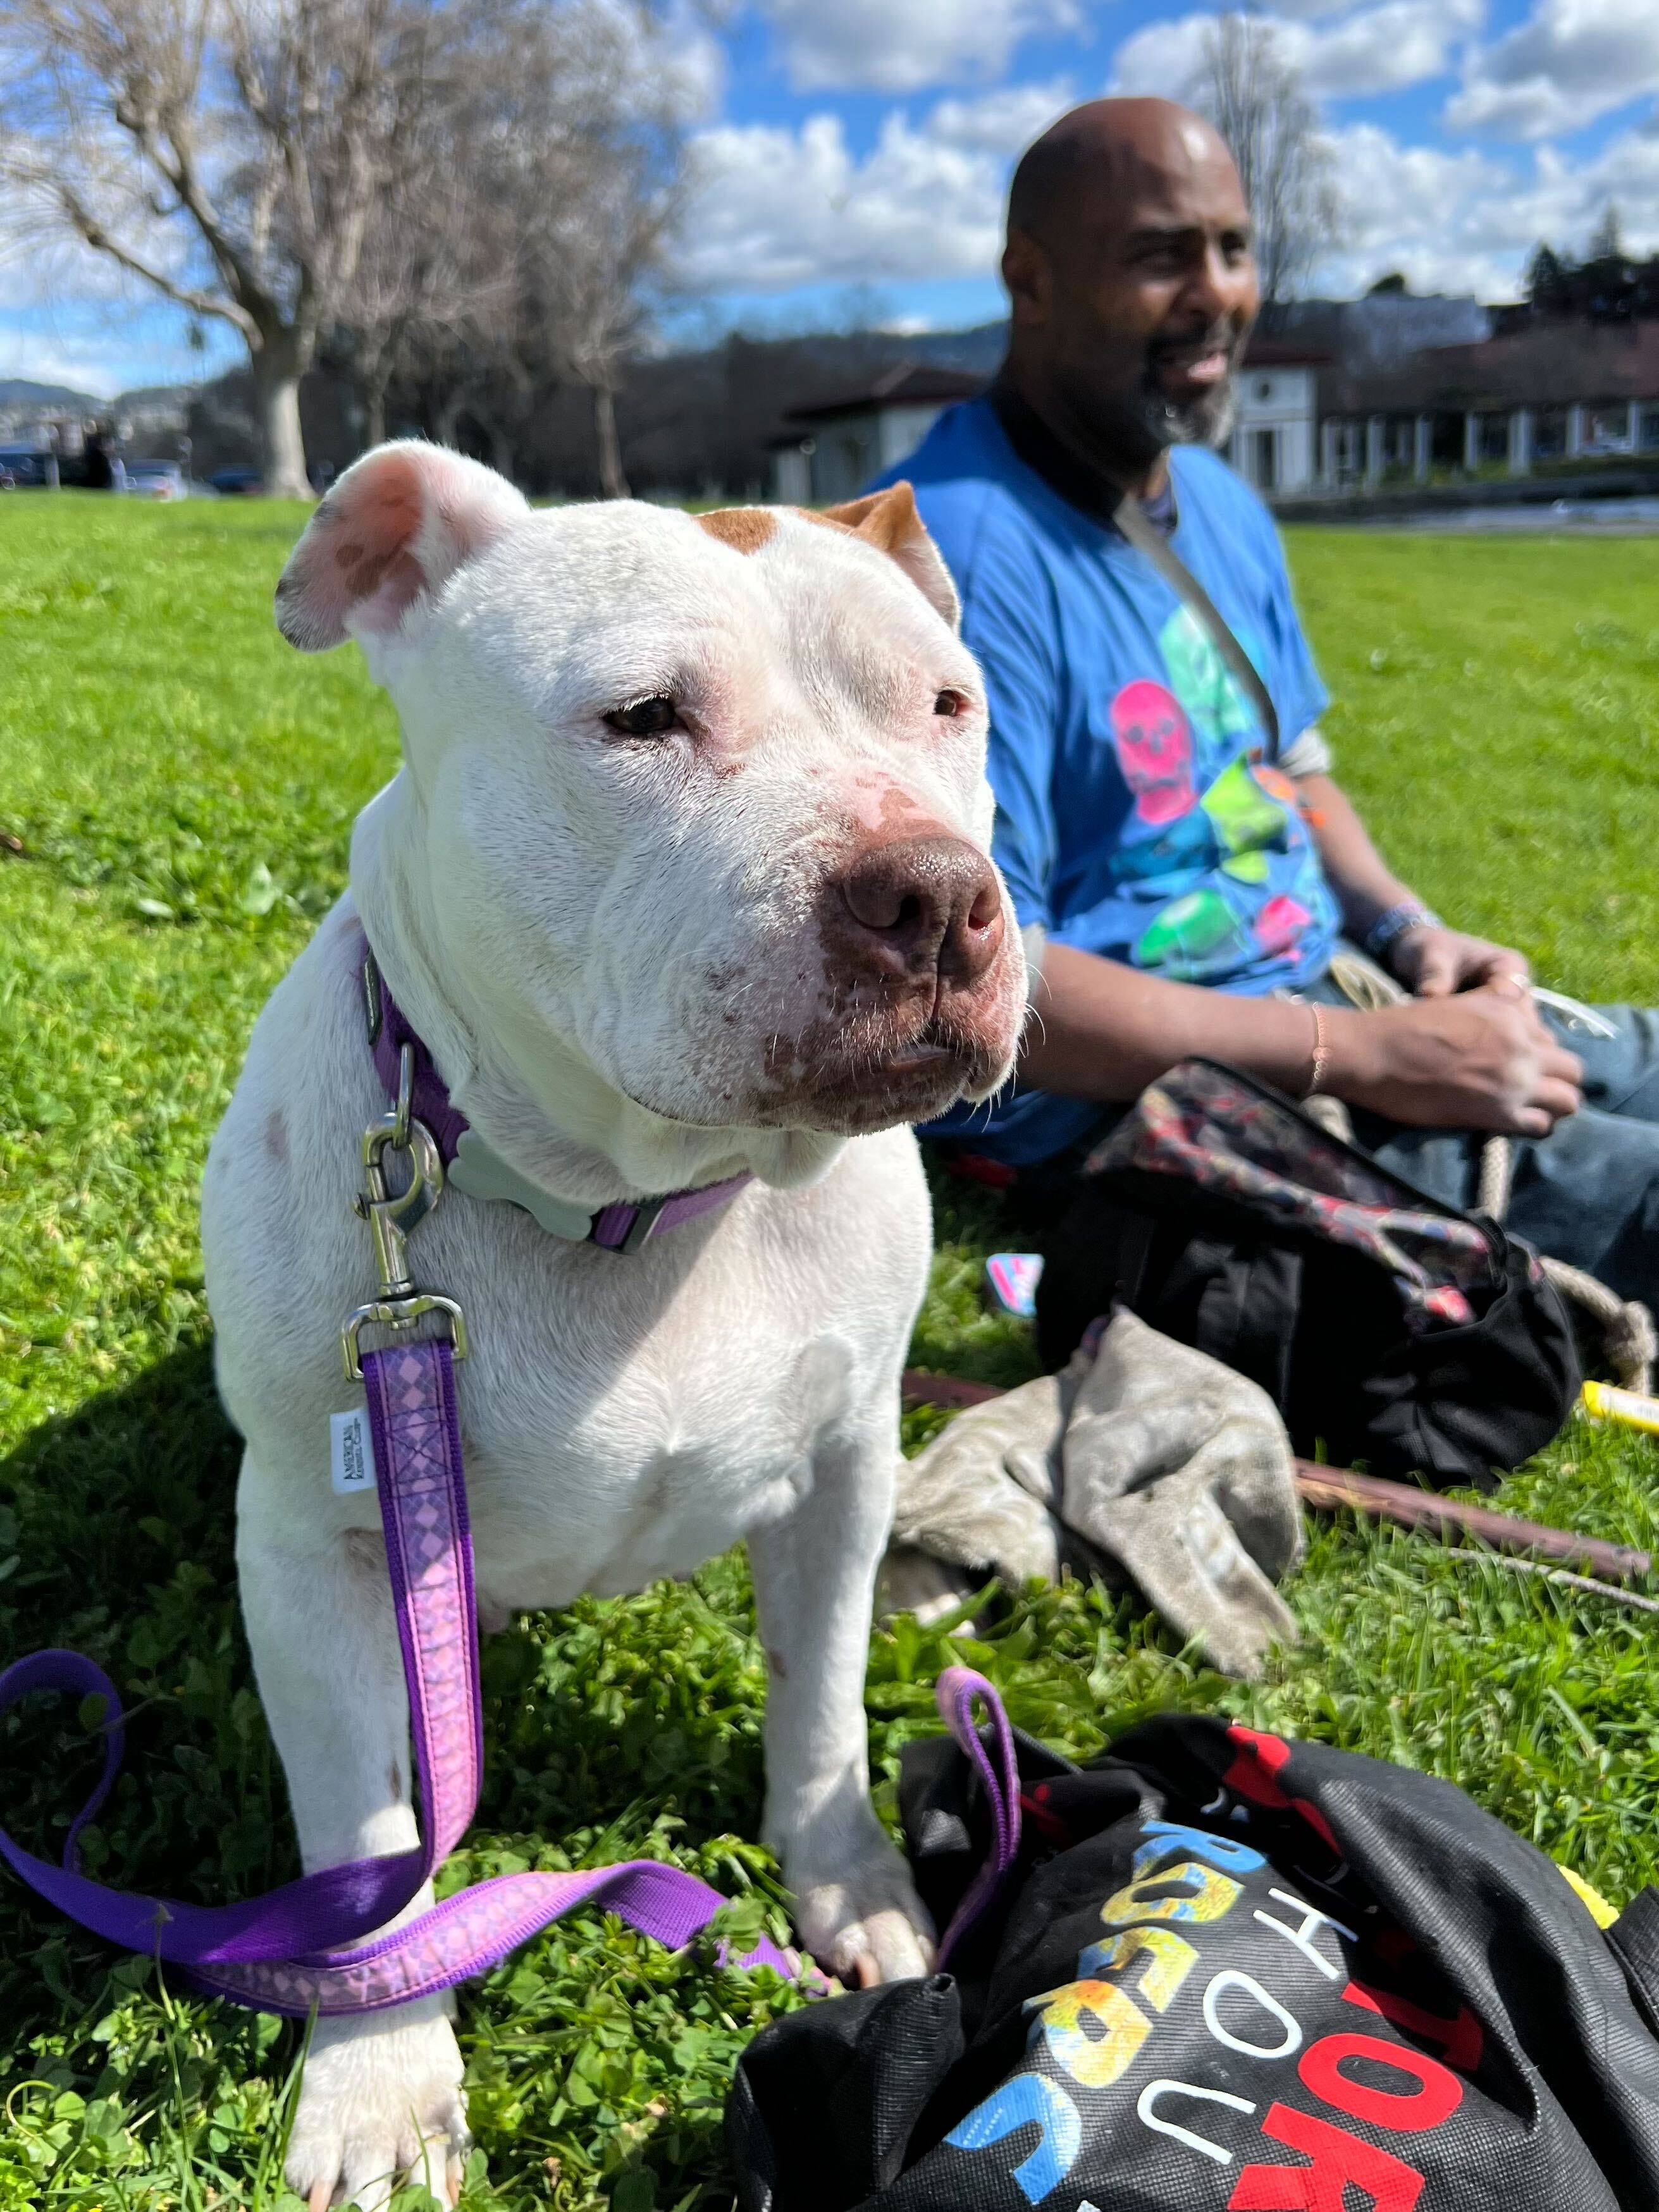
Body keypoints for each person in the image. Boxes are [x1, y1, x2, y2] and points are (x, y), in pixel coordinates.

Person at [874, 96, 1659, 1310]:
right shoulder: (951, 557)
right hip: (1150, 1108)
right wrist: (1362, 1056)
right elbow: (984, 974)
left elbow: (1292, 767)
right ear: (1030, 281)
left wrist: (1407, 936)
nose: (1217, 294)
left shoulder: (1219, 506)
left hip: (1329, 990)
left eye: (1232, 249)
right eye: (1157, 256)